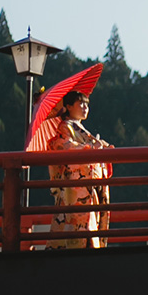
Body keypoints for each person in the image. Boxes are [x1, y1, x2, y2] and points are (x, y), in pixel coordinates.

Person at [46, 91, 112, 249]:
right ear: (68, 106)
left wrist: (101, 147)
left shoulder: (79, 128)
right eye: (80, 103)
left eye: (87, 104)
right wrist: (91, 148)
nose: (85, 107)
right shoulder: (65, 127)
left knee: (88, 225)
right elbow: (65, 147)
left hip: (89, 186)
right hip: (76, 187)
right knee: (76, 228)